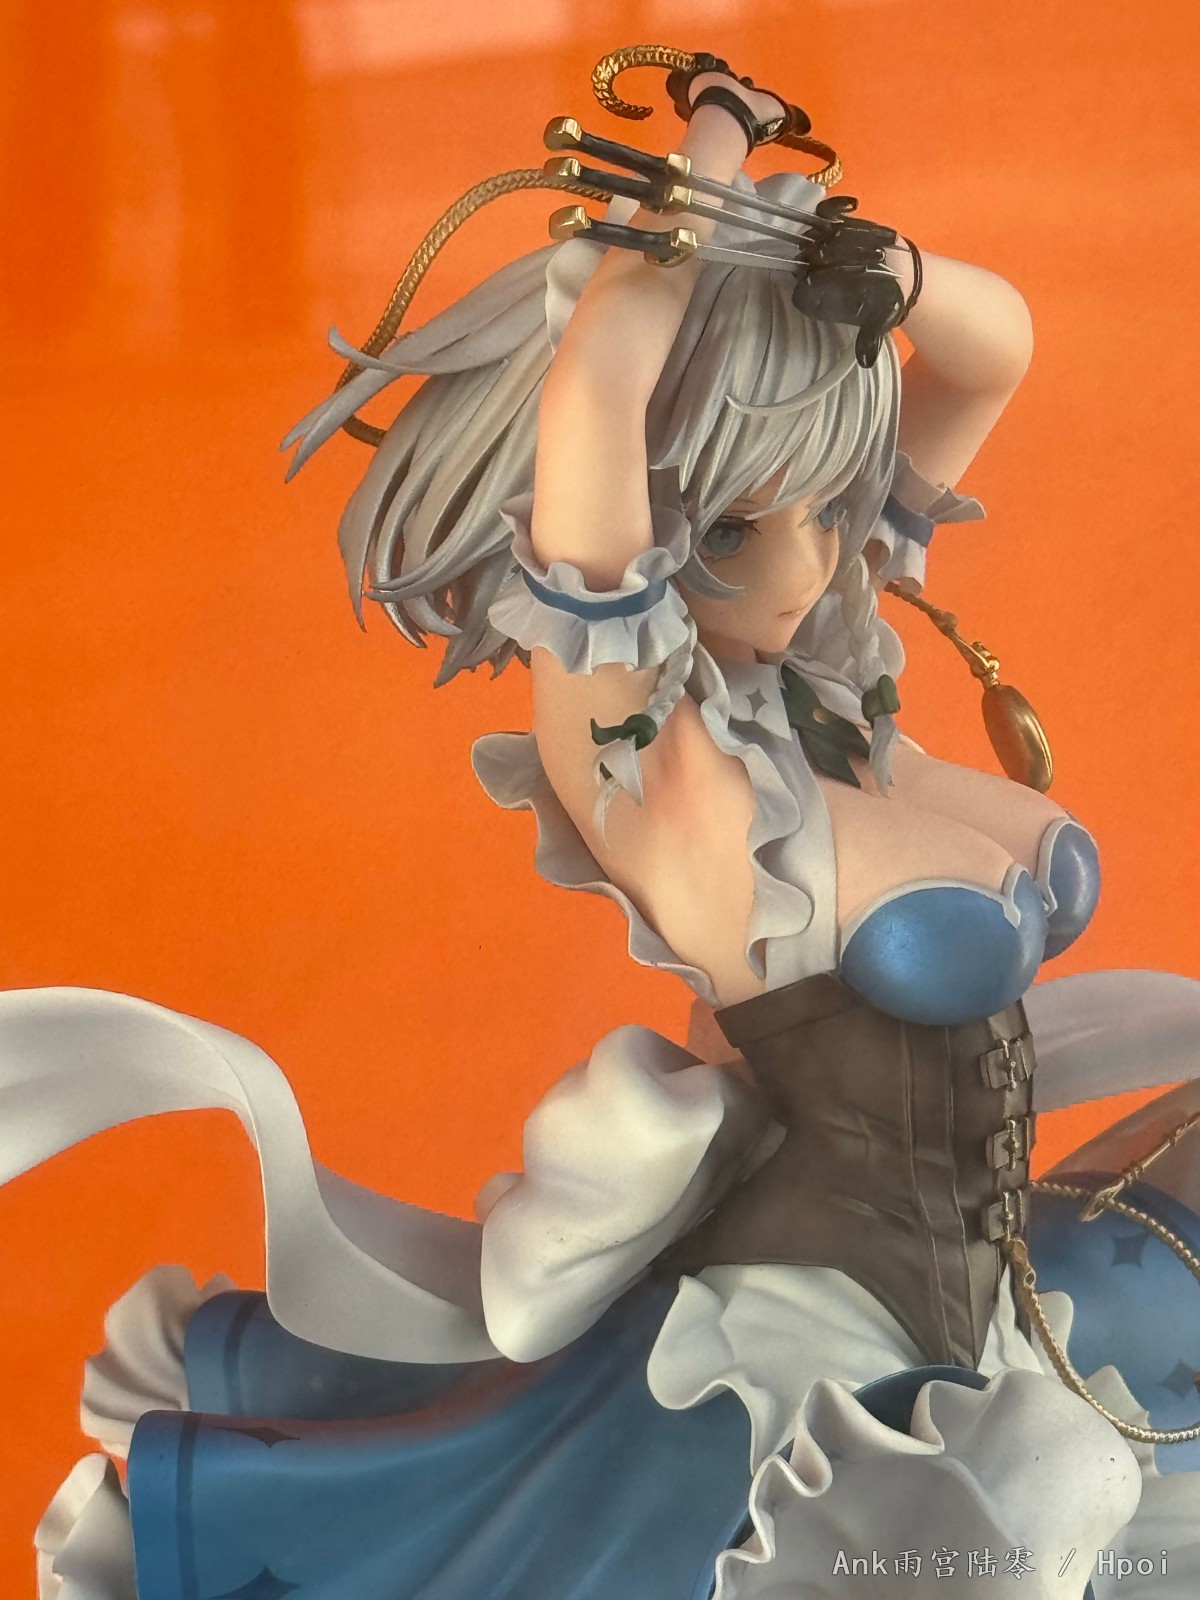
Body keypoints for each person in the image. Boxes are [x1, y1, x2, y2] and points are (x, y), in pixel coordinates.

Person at [11, 54, 1200, 1600]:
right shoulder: (672, 782)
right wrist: (696, 172)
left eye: (827, 501)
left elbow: (994, 355)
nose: (813, 559)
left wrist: (877, 267)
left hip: (999, 1292)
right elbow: (596, 400)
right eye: (734, 525)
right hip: (822, 1336)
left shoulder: (835, 680)